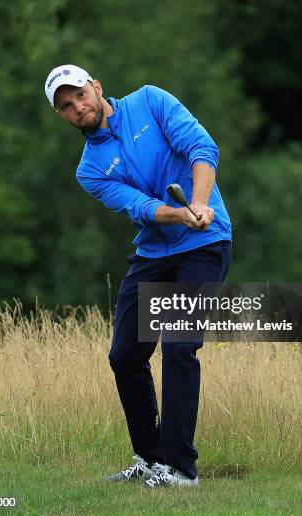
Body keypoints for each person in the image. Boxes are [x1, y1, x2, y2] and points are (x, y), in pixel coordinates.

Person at [44, 64, 232, 488]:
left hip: (205, 244)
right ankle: (151, 459)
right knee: (125, 355)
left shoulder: (150, 100)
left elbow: (202, 147)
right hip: (153, 252)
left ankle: (182, 468)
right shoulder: (89, 170)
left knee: (180, 345)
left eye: (79, 94)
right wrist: (181, 214)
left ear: (97, 87)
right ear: (62, 115)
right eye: (66, 105)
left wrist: (200, 204)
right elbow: (142, 208)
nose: (77, 106)